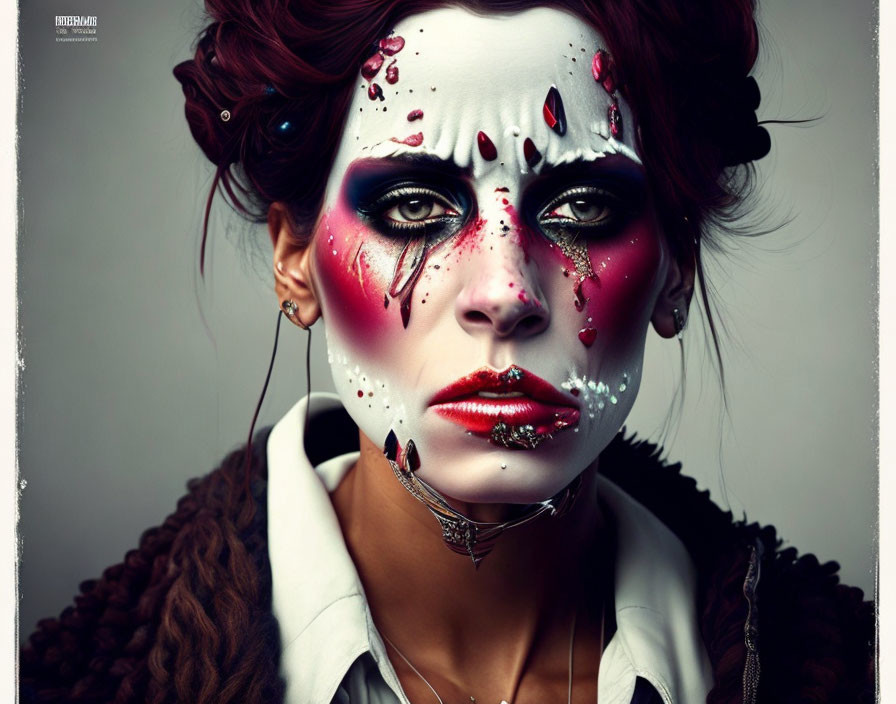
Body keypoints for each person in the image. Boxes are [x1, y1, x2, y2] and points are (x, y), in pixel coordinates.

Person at [20, 1, 874, 703]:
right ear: (295, 258)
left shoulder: (848, 671)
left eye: (580, 209)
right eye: (413, 207)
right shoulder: (69, 685)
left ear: (676, 265)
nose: (504, 292)